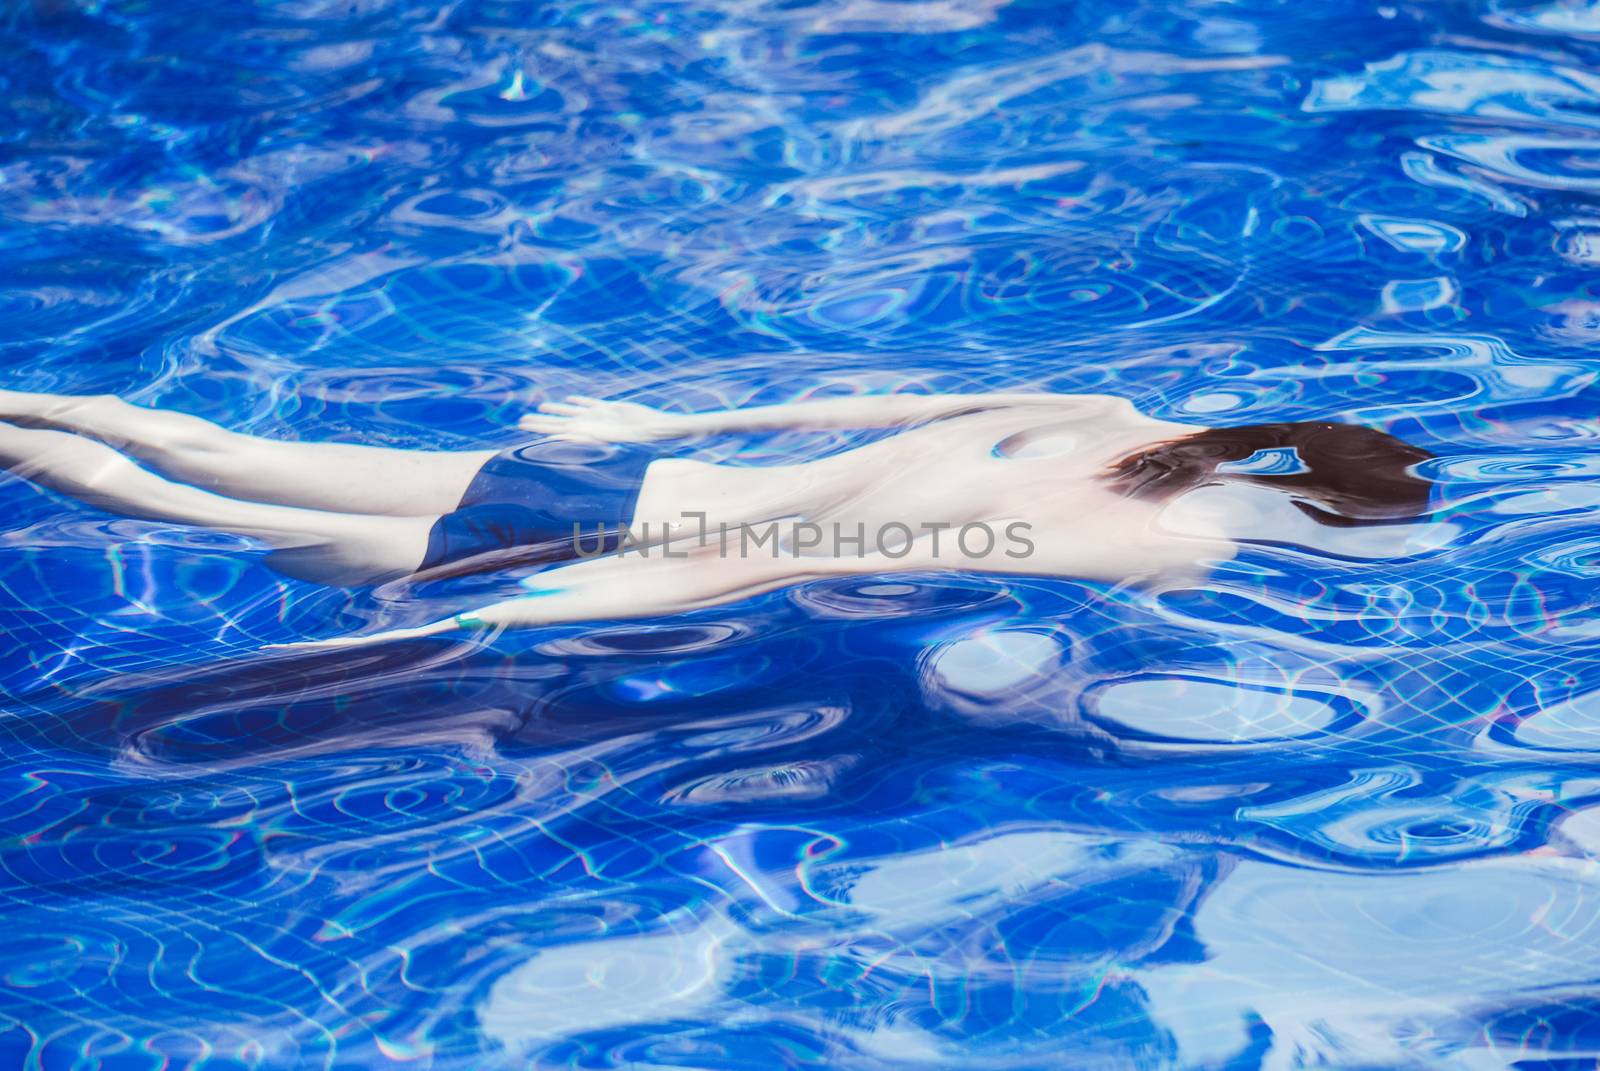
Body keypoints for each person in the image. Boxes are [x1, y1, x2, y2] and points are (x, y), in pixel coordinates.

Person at [0, 387, 1433, 649]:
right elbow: (802, 557)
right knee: (164, 510)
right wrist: (522, 614)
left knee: (192, 446)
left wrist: (644, 429)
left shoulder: (1108, 417)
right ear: (1309, 507)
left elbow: (868, 410)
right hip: (609, 549)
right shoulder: (1165, 549)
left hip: (628, 481)